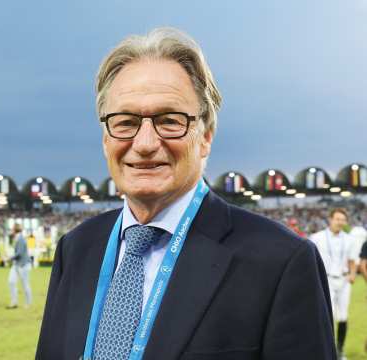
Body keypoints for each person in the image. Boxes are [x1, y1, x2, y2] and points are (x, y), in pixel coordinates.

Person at [36, 28, 336, 359]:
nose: (146, 143)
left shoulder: (281, 262)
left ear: (205, 136)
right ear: (106, 138)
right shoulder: (76, 249)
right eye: (124, 122)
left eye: (169, 120)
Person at [310, 208, 357, 360]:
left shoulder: (349, 239)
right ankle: (326, 351)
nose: (340, 222)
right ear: (330, 219)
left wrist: (352, 273)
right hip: (326, 279)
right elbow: (310, 259)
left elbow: (352, 259)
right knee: (326, 315)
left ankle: (340, 350)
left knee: (343, 316)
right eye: (337, 219)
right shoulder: (317, 237)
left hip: (343, 281)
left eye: (343, 219)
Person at [7, 224, 32, 309]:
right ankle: (14, 302)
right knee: (11, 282)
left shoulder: (21, 239)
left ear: (15, 230)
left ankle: (28, 303)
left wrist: (8, 258)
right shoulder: (16, 238)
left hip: (23, 265)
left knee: (25, 284)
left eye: (12, 229)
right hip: (16, 264)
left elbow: (19, 253)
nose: (11, 231)